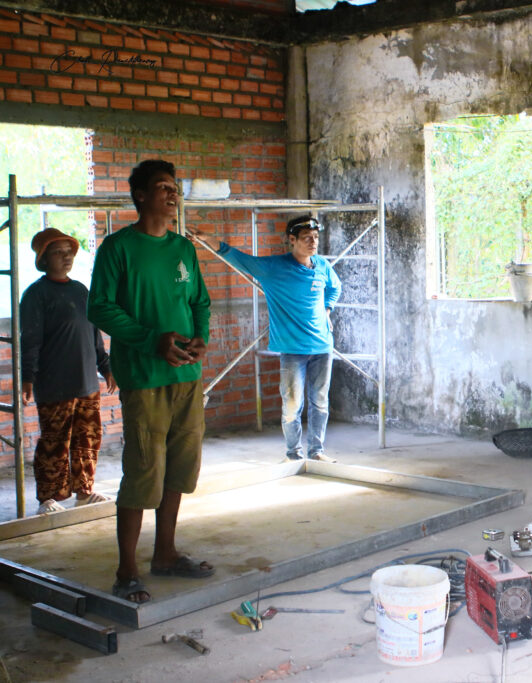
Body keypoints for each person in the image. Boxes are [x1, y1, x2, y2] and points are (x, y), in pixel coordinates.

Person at [88, 159, 214, 604]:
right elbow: (99, 307)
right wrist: (150, 341)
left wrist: (200, 338)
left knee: (181, 467)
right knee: (144, 471)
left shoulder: (182, 248)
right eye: (162, 186)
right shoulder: (117, 248)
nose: (172, 193)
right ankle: (127, 570)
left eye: (174, 186)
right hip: (144, 377)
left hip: (187, 376)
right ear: (140, 196)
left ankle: (166, 553)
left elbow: (200, 301)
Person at [190, 216, 341, 463]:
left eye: (315, 238)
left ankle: (317, 451)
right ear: (292, 240)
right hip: (293, 350)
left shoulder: (322, 265)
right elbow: (238, 258)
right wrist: (209, 240)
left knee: (320, 402)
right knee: (292, 405)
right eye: (306, 238)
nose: (313, 242)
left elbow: (335, 287)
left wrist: (327, 309)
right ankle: (293, 454)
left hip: (323, 347)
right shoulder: (273, 268)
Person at [21, 228, 117, 515]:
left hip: (86, 381)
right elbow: (31, 340)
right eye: (58, 252)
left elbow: (93, 334)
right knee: (55, 441)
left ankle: (84, 491)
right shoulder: (36, 295)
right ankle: (47, 498)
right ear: (43, 259)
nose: (66, 257)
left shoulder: (80, 290)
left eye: (69, 252)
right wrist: (28, 377)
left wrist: (106, 367)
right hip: (55, 383)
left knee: (87, 439)